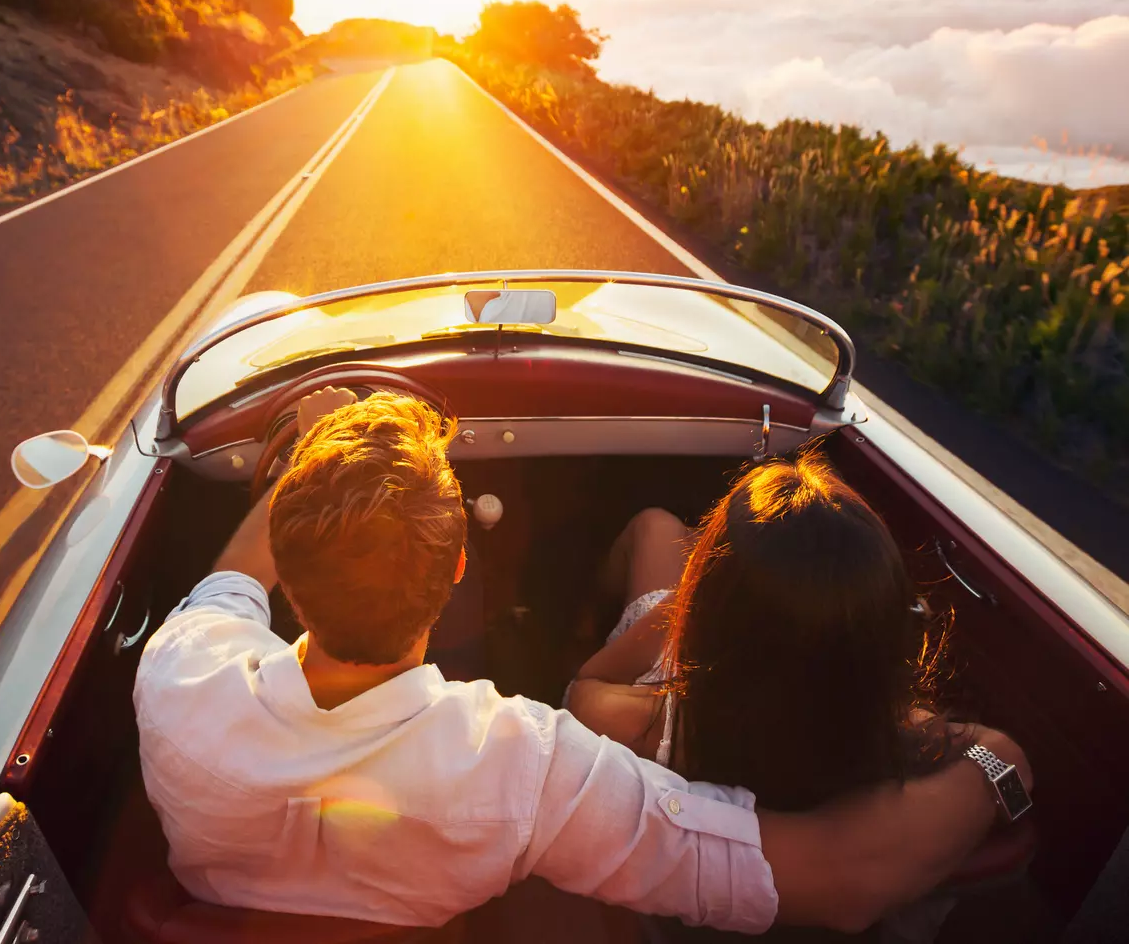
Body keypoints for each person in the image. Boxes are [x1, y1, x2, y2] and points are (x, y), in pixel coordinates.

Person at [133, 390, 1031, 934]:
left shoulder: (179, 675)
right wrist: (998, 762)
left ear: (286, 576)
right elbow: (843, 884)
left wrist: (308, 456)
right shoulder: (528, 767)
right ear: (455, 573)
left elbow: (230, 582)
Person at [566, 454, 955, 806]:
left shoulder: (644, 722)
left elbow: (582, 689)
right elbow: (998, 753)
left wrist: (684, 602)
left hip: (674, 682)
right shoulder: (899, 734)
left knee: (654, 525)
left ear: (708, 616)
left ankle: (581, 622)